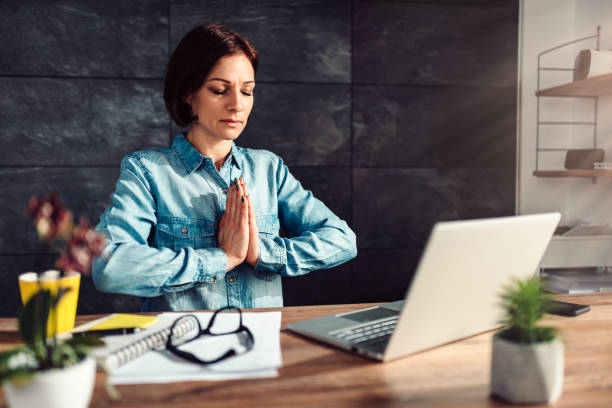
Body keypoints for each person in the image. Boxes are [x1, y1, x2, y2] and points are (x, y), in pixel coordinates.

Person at [92, 24, 357, 312]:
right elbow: (109, 266)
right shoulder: (147, 172)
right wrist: (223, 258)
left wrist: (262, 253)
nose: (236, 105)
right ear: (188, 93)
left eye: (247, 91)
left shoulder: (268, 169)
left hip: (263, 346)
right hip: (181, 349)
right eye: (220, 90)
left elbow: (342, 240)